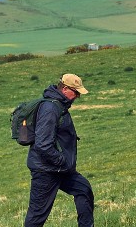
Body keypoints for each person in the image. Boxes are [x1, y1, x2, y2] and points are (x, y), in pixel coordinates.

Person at [25, 74, 95, 227]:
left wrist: (64, 165)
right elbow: (43, 145)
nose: (77, 96)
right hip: (46, 170)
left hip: (60, 169)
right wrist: (61, 160)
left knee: (84, 190)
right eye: (75, 92)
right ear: (64, 89)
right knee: (37, 216)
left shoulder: (60, 106)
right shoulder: (50, 108)